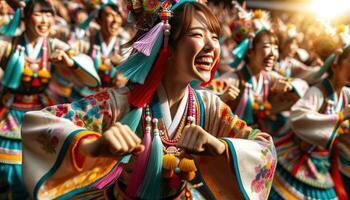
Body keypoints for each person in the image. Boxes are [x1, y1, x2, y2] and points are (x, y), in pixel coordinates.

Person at [21, 1, 277, 199]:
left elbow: (263, 147)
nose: (212, 46)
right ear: (167, 43)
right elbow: (40, 122)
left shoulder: (208, 107)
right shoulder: (121, 102)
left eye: (215, 37)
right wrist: (93, 147)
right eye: (199, 34)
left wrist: (220, 147)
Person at [0, 0, 100, 199]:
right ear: (26, 17)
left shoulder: (54, 45)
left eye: (49, 15)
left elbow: (88, 73)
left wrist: (69, 62)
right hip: (9, 112)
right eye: (39, 14)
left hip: (40, 113)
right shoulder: (8, 44)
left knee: (36, 170)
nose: (45, 20)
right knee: (7, 170)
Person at [270, 44, 350, 199]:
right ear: (336, 63)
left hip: (321, 165)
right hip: (298, 159)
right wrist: (339, 117)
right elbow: (300, 116)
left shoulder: (345, 94)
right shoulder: (318, 92)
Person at [212, 29, 308, 133]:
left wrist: (289, 87)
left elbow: (303, 86)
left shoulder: (269, 77)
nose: (273, 54)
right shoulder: (234, 79)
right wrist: (221, 97)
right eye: (267, 47)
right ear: (250, 52)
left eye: (275, 48)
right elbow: (207, 96)